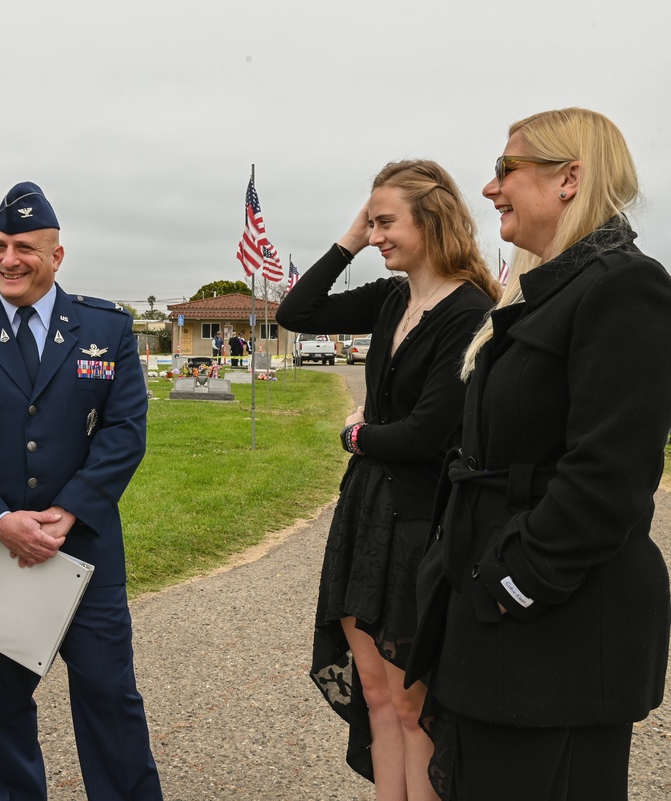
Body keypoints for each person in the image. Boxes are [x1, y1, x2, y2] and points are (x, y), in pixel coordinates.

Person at [407, 109, 671, 801]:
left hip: (556, 632)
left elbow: (611, 476)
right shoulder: (544, 293)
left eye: (506, 168)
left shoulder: (623, 285)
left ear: (569, 179)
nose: (491, 189)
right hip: (502, 625)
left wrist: (513, 582)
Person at [0, 181, 163, 801]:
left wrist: (70, 511)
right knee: (5, 714)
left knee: (111, 698)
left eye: (24, 247)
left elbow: (125, 432)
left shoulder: (106, 328)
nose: (8, 259)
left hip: (85, 554)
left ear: (57, 256)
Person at [276, 160, 498, 801]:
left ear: (431, 221)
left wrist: (357, 434)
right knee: (375, 695)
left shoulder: (469, 311)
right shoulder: (393, 297)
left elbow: (425, 434)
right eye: (369, 223)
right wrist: (351, 235)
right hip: (366, 510)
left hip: (420, 522)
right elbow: (298, 311)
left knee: (409, 706)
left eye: (385, 222)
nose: (374, 236)